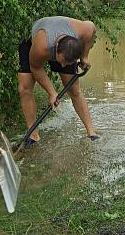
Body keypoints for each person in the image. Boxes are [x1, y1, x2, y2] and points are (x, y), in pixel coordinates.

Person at [17, 16, 98, 147]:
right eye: (63, 62)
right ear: (56, 50)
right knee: (24, 88)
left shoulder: (84, 30)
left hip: (63, 45)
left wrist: (84, 57)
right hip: (32, 43)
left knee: (74, 90)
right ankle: (33, 135)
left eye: (69, 63)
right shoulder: (41, 47)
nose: (64, 66)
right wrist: (51, 92)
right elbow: (36, 68)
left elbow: (92, 26)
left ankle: (91, 132)